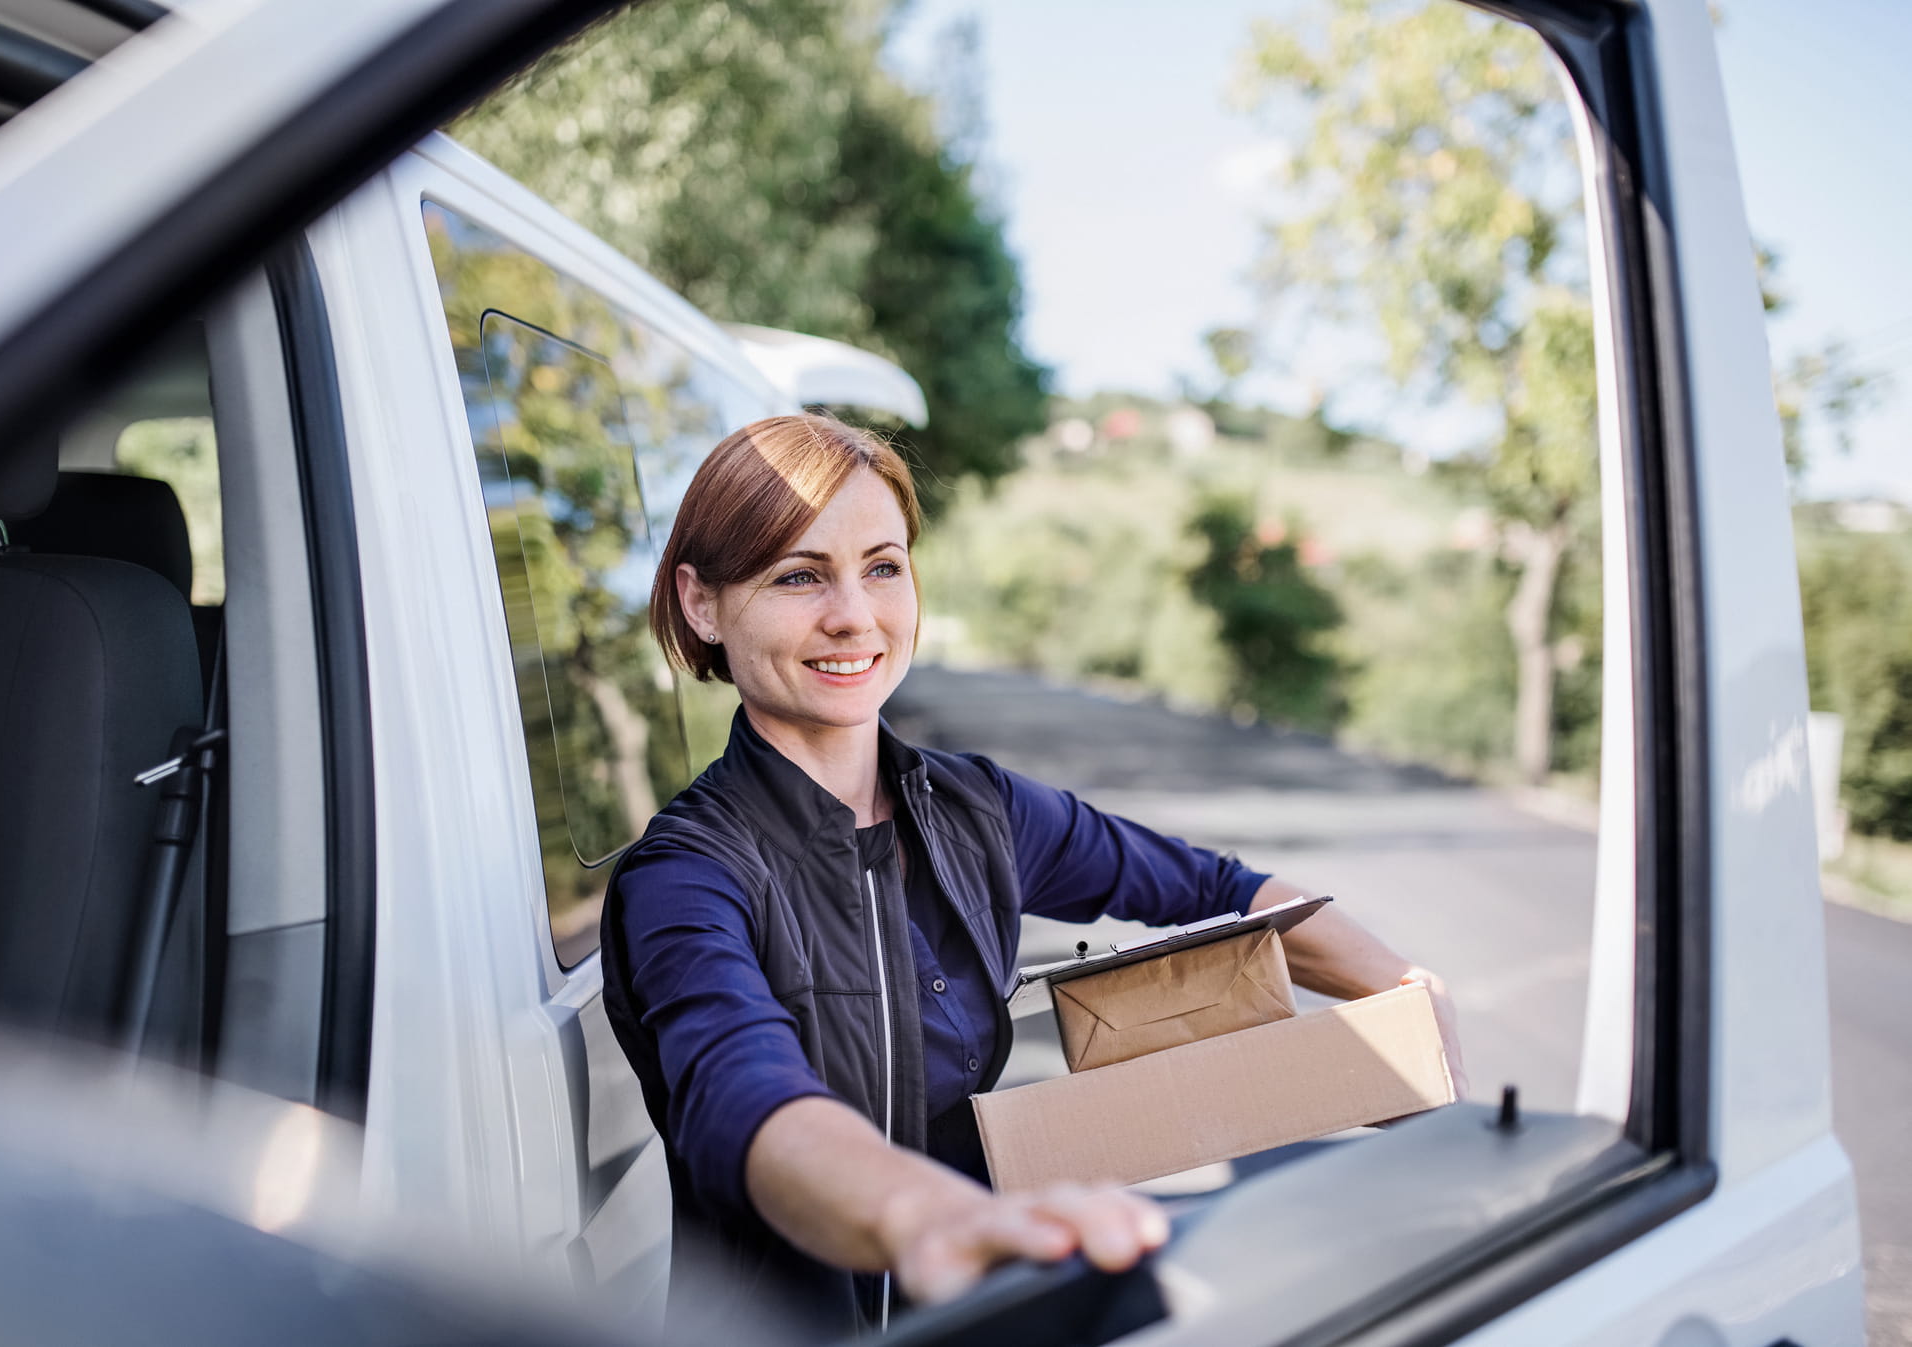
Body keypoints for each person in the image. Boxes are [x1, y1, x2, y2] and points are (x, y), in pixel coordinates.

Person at [601, 413, 1466, 1336]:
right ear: (702, 603)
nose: (854, 613)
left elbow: (1220, 889)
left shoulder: (977, 810)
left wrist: (1399, 988)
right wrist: (933, 1216)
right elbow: (747, 1096)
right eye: (799, 574)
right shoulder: (685, 874)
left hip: (978, 1317)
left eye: (883, 566)